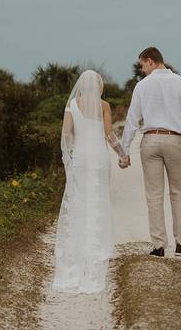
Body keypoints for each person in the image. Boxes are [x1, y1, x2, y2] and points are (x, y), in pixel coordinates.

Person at [119, 46, 181, 258]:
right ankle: (180, 244)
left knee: (154, 195)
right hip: (174, 140)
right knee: (178, 193)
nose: (142, 70)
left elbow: (132, 121)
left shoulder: (142, 87)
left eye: (142, 64)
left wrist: (124, 152)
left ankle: (159, 246)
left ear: (151, 61)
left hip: (150, 141)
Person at [51, 70, 129, 293]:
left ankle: (78, 247)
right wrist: (123, 154)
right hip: (99, 157)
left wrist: (70, 156)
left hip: (81, 157)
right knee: (99, 198)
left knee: (80, 199)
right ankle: (98, 246)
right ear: (98, 86)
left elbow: (66, 135)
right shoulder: (104, 106)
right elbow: (109, 135)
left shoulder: (71, 106)